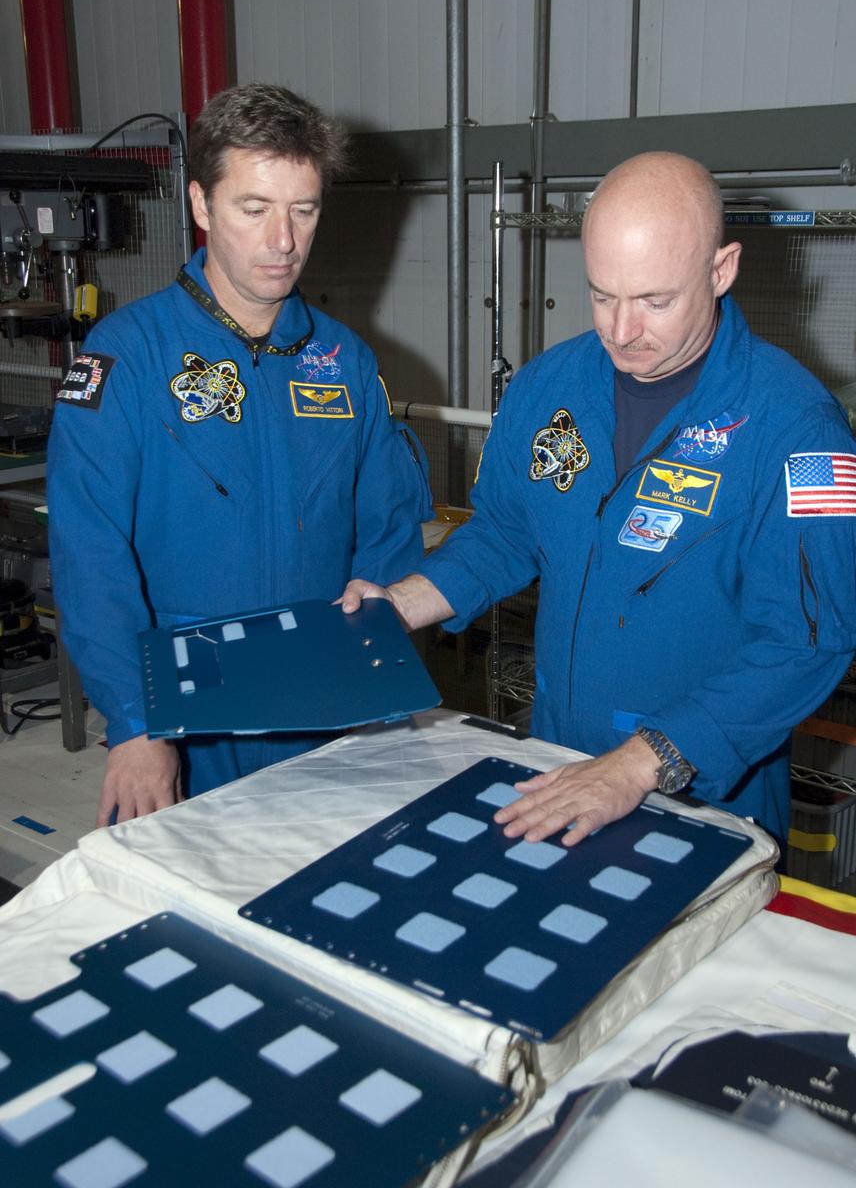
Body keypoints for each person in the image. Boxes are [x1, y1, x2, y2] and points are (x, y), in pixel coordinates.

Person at [343, 151, 856, 850]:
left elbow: (808, 641)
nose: (620, 331)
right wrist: (398, 606)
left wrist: (644, 764)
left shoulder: (798, 430)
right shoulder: (547, 388)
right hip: (558, 769)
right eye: (602, 295)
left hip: (706, 797)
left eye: (655, 301)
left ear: (722, 269)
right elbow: (504, 534)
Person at [48, 83, 431, 826]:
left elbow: (388, 524)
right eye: (253, 209)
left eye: (304, 210)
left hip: (327, 705)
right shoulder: (126, 358)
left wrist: (372, 654)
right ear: (200, 205)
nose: (282, 240)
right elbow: (89, 554)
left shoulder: (344, 362)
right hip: (190, 721)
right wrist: (136, 722)